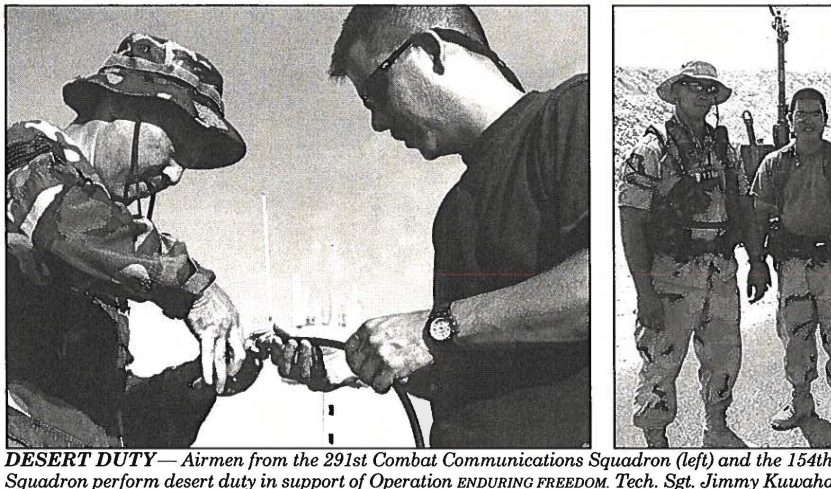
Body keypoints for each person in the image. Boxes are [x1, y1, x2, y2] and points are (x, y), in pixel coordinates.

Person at [259, 6, 590, 448]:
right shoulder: (454, 212)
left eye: (375, 94)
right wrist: (358, 365)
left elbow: (604, 286)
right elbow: (477, 364)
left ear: (431, 51)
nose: (377, 122)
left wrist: (437, 328)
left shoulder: (573, 111)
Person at [6, 32, 259, 447]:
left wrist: (202, 379)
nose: (175, 175)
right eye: (176, 146)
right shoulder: (23, 152)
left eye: (188, 164)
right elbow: (65, 221)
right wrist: (194, 288)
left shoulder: (104, 253)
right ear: (115, 101)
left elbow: (111, 417)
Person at [618, 61, 750, 448]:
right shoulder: (652, 149)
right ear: (676, 93)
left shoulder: (723, 148)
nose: (702, 95)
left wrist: (755, 261)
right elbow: (631, 221)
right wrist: (644, 292)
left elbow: (741, 202)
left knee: (723, 358)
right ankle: (656, 443)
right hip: (670, 275)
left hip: (720, 271)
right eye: (692, 87)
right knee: (661, 362)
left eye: (709, 89)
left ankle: (717, 429)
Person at [747, 87, 831, 445]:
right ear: (790, 120)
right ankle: (801, 400)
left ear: (825, 119)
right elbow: (758, 216)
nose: (807, 120)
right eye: (800, 113)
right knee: (795, 338)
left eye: (814, 113)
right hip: (792, 267)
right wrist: (757, 263)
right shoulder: (774, 164)